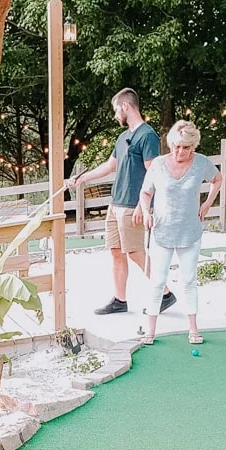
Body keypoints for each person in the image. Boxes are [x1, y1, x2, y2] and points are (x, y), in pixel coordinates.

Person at [74, 87, 176, 316]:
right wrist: (82, 179)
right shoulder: (122, 137)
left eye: (115, 110)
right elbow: (110, 166)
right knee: (116, 251)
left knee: (135, 252)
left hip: (133, 204)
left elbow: (154, 174)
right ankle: (120, 300)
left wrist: (144, 205)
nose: (115, 115)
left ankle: (166, 293)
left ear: (125, 106)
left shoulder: (147, 135)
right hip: (116, 203)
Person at [138, 120, 222, 345]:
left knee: (189, 280)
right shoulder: (157, 164)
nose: (179, 151)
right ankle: (150, 331)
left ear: (193, 146)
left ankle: (193, 329)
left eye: (185, 147)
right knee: (157, 281)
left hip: (189, 230)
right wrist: (146, 213)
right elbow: (145, 193)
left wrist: (207, 204)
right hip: (162, 230)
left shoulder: (201, 163)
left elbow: (217, 179)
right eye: (176, 146)